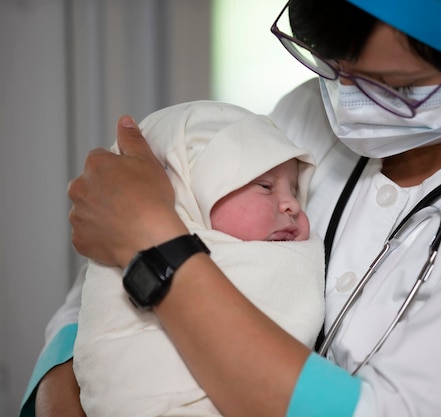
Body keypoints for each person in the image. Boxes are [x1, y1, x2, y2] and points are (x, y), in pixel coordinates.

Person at [21, 0, 441, 416]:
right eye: (332, 68)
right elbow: (99, 297)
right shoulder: (303, 113)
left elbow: (140, 240)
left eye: (392, 85)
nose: (345, 101)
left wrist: (158, 247)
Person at [72, 100, 325, 417]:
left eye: (295, 188)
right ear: (188, 193)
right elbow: (89, 328)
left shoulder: (283, 256)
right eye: (265, 186)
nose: (292, 204)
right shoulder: (120, 251)